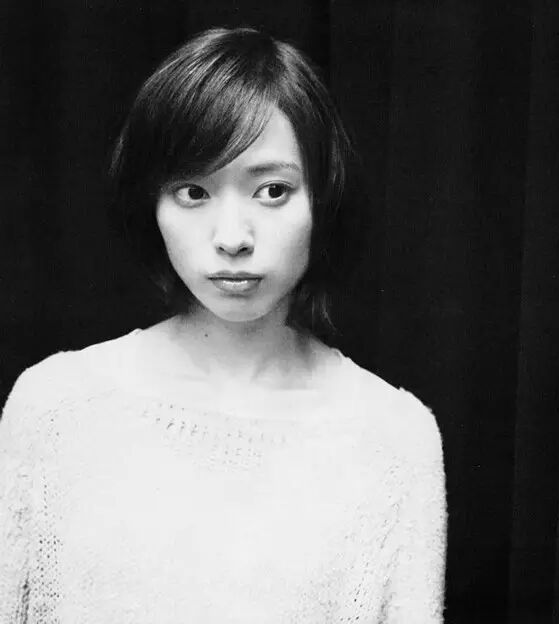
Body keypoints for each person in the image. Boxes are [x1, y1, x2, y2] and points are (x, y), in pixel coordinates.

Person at [0, 27, 446, 623]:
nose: (232, 238)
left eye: (272, 191)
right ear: (152, 204)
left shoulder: (394, 438)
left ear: (323, 198)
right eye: (193, 191)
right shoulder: (54, 409)